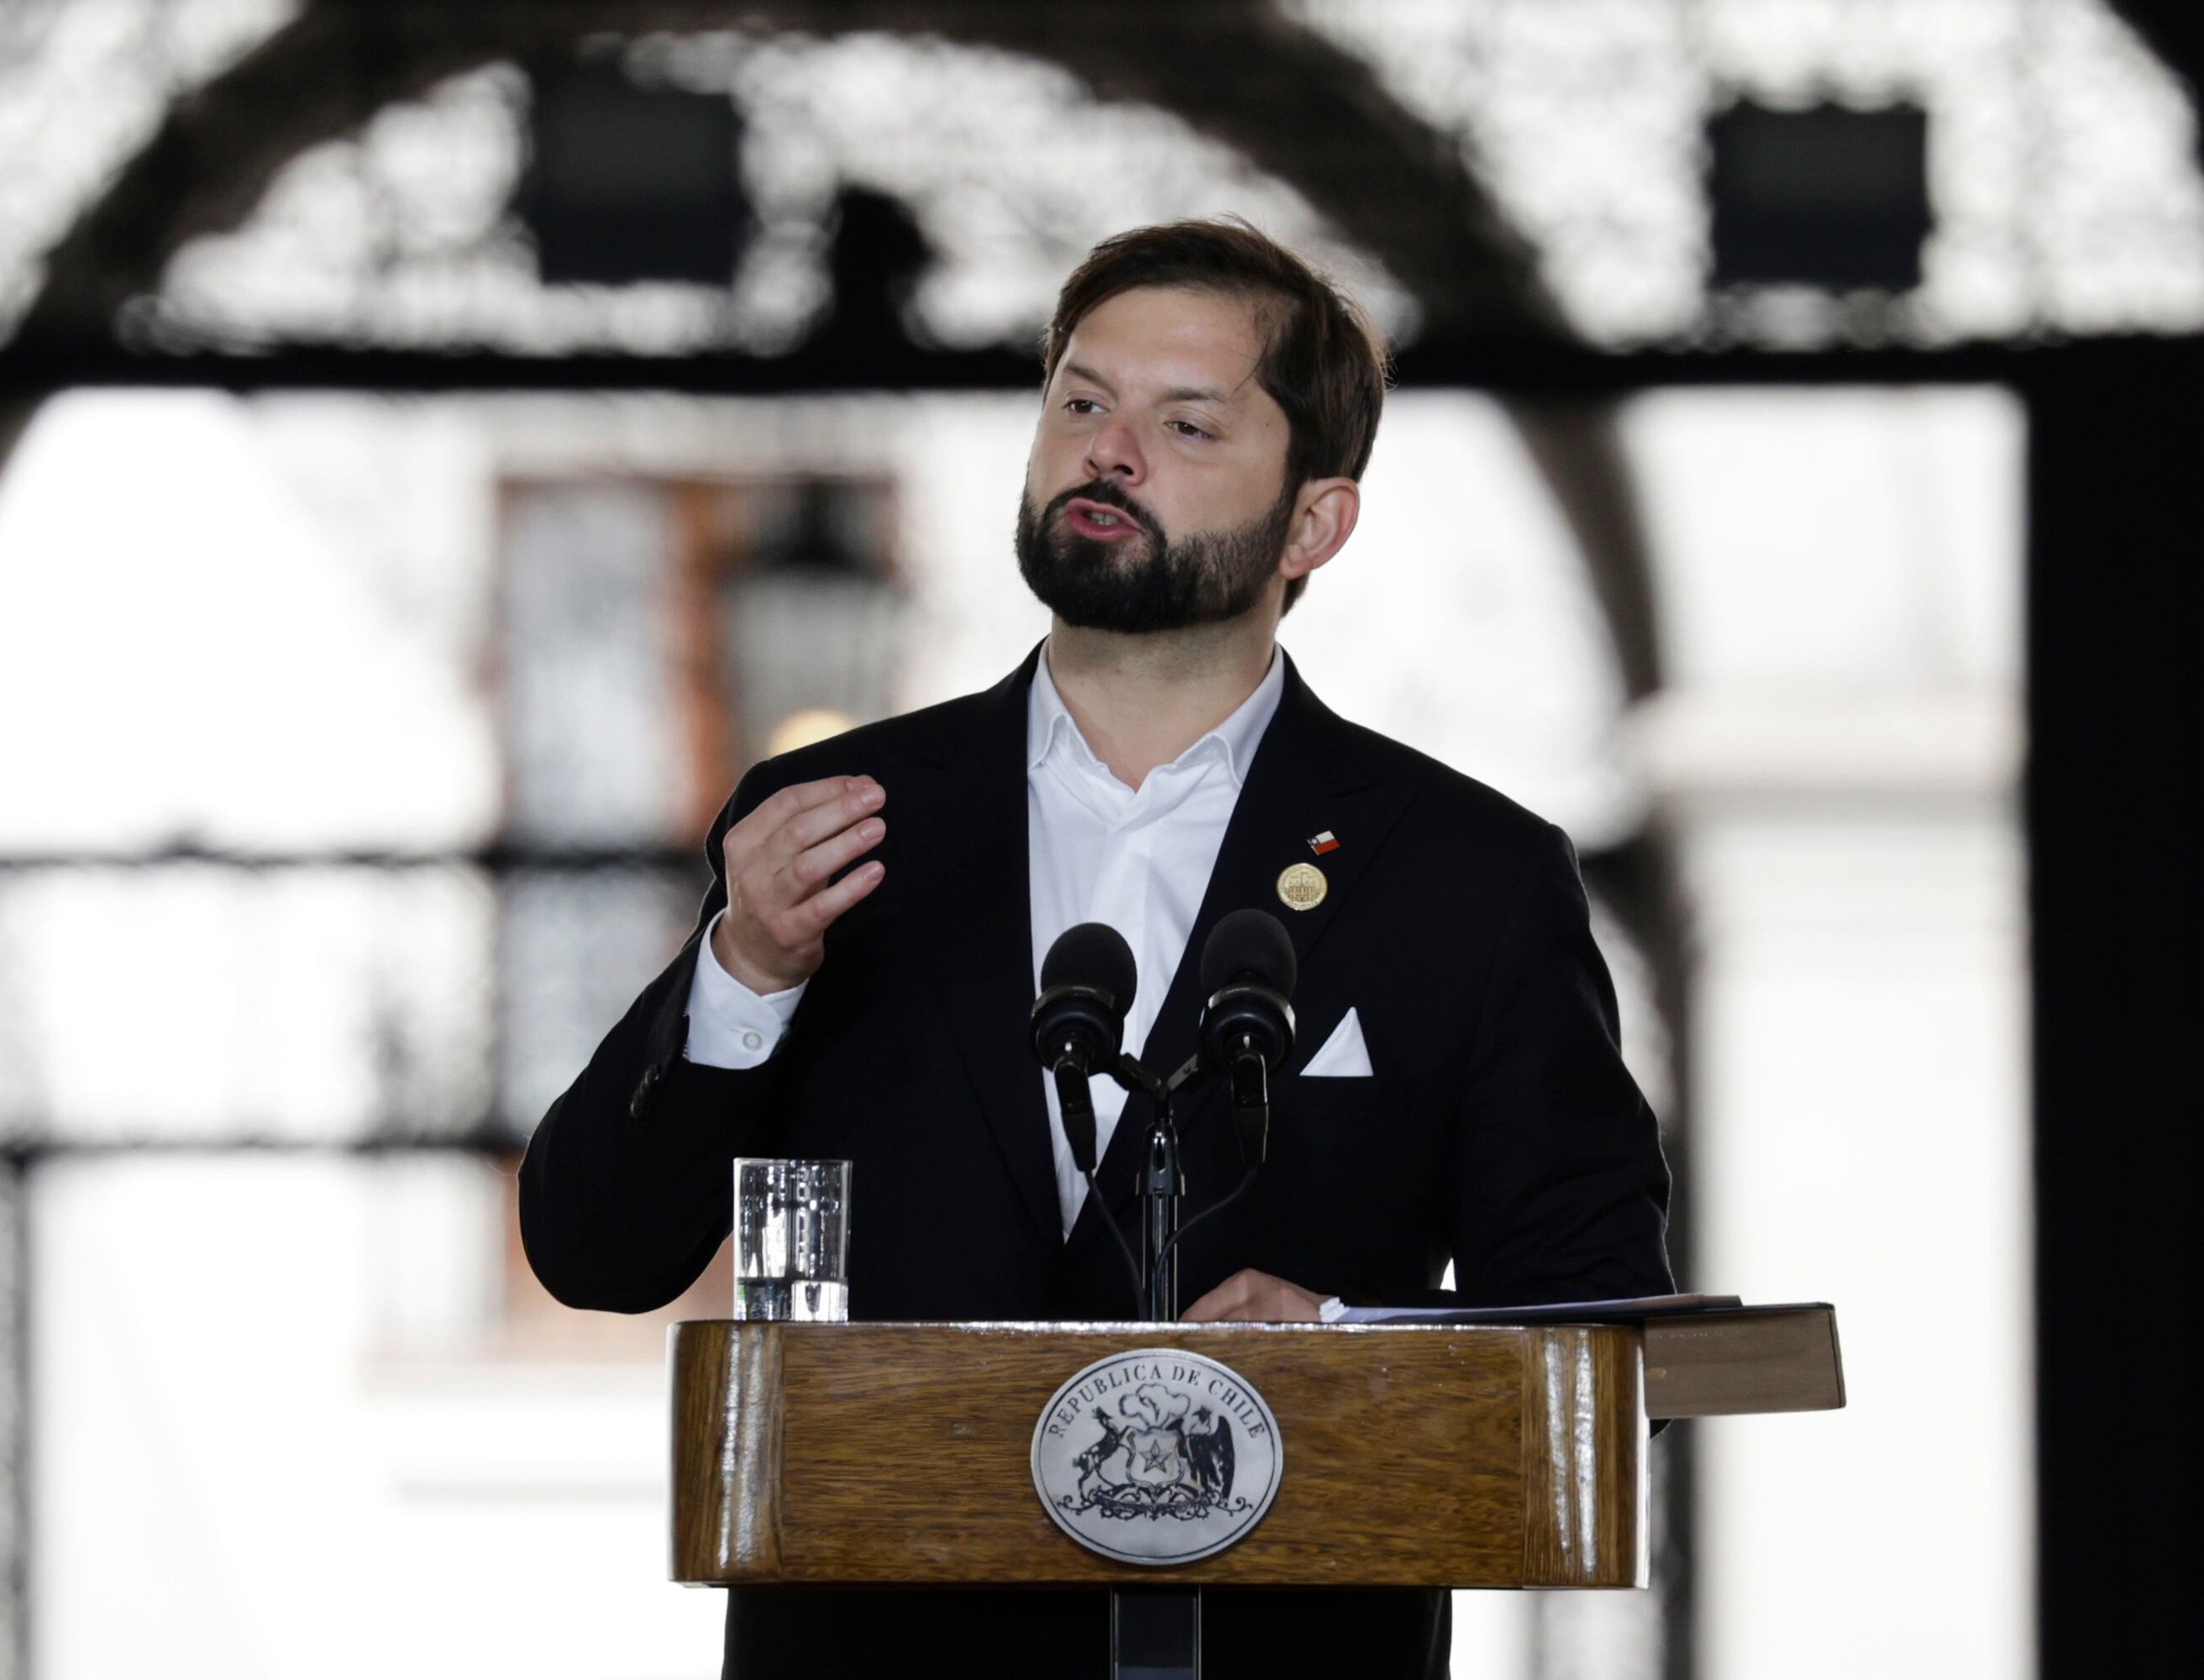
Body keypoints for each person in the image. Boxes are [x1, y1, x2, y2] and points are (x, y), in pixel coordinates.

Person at [519, 218, 1673, 1679]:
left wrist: (1350, 1337)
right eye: (1080, 402)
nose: (1109, 452)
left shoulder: (1468, 878)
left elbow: (1602, 1332)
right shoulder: (835, 824)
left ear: (1313, 523)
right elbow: (594, 1253)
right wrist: (744, 972)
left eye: (1184, 423)